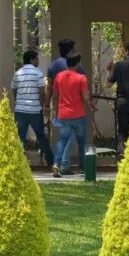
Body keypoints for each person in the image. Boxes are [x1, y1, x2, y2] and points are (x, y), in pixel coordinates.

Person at [47, 39, 89, 175]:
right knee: (82, 142)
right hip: (78, 114)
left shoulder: (56, 72)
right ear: (76, 63)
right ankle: (83, 168)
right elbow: (85, 96)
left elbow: (54, 93)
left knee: (62, 140)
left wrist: (53, 108)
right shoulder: (81, 76)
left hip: (63, 114)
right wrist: (87, 101)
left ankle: (57, 163)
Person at [11, 49, 54, 166]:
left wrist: (18, 101)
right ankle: (51, 161)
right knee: (41, 136)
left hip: (20, 110)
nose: (38, 60)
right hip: (35, 110)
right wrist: (41, 104)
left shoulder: (17, 73)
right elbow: (41, 91)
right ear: (32, 59)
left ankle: (16, 162)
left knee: (20, 137)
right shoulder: (38, 73)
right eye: (37, 58)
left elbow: (14, 89)